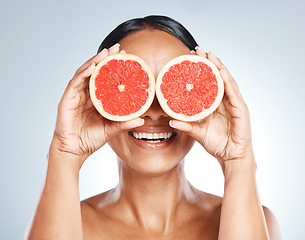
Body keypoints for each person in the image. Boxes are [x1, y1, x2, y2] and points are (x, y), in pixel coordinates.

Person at [25, 15, 282, 239]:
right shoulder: (64, 223)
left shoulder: (257, 223)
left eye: (170, 88)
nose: (154, 112)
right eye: (134, 88)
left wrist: (239, 160)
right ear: (95, 99)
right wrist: (64, 154)